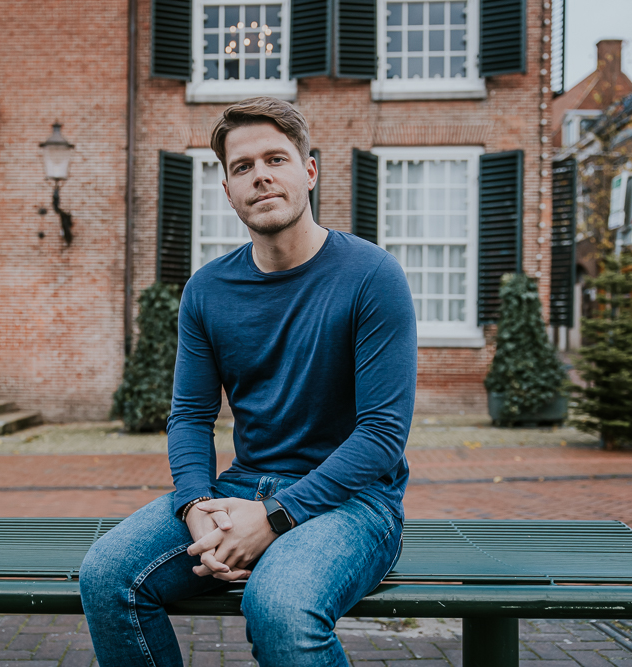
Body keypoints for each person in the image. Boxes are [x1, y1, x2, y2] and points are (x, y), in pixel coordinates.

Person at [80, 97, 416, 667]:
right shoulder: (207, 290)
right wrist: (196, 505)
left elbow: (382, 434)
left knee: (279, 606)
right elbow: (189, 416)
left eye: (276, 159)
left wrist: (276, 518)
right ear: (228, 189)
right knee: (108, 577)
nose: (260, 175)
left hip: (356, 504)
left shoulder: (371, 276)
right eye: (242, 167)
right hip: (242, 489)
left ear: (308, 171)